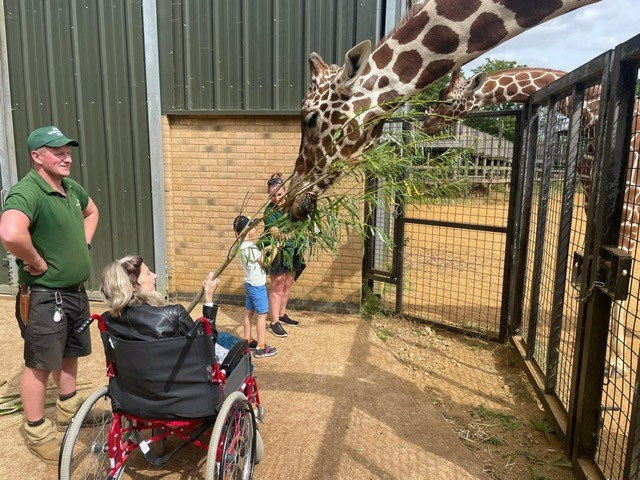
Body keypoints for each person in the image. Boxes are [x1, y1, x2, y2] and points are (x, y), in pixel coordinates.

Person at [0, 125, 99, 463]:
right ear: (36, 156)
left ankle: (69, 408)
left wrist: (83, 244)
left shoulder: (70, 187)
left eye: (68, 152)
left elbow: (92, 211)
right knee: (40, 364)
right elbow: (11, 233)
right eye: (58, 152)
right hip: (46, 296)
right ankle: (37, 431)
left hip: (75, 292)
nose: (67, 157)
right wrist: (36, 260)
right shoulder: (28, 191)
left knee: (70, 352)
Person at [100, 255, 220, 344]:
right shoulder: (172, 315)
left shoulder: (107, 321)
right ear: (133, 286)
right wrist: (208, 298)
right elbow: (207, 343)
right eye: (148, 274)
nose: (155, 276)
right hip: (178, 375)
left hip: (132, 376)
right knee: (230, 341)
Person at [262, 173, 306, 338]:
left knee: (288, 283)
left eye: (279, 194)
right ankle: (274, 322)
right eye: (272, 195)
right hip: (277, 252)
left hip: (293, 250)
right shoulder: (268, 212)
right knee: (277, 286)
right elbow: (277, 235)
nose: (276, 198)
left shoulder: (291, 207)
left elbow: (303, 221)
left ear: (285, 192)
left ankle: (282, 314)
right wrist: (297, 233)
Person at [233, 215, 277, 358]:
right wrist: (276, 248)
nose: (256, 228)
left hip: (249, 284)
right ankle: (261, 347)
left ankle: (247, 340)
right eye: (253, 227)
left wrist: (267, 248)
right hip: (257, 286)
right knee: (262, 315)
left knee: (248, 312)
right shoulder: (251, 247)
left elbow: (256, 257)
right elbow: (266, 262)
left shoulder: (241, 246)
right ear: (247, 230)